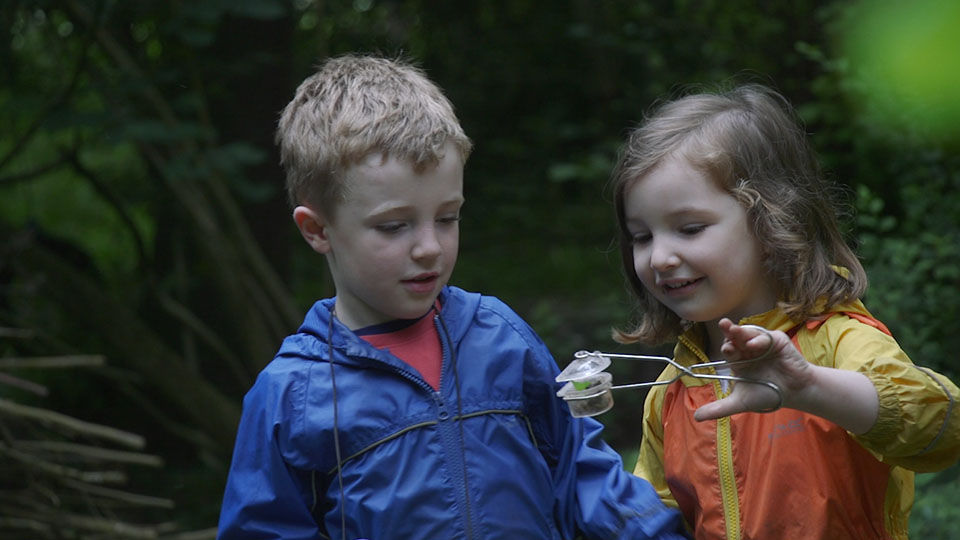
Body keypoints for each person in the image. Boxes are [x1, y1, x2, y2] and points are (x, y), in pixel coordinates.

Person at [216, 54, 686, 540]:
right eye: (394, 226)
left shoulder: (501, 337)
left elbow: (581, 469)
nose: (429, 247)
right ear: (317, 229)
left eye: (447, 218)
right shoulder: (293, 395)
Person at [608, 83, 960, 539]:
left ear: (771, 218)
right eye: (642, 236)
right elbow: (659, 519)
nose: (659, 258)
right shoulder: (674, 383)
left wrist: (810, 387)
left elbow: (942, 430)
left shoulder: (837, 340)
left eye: (689, 229)